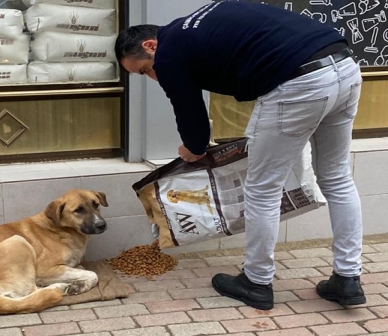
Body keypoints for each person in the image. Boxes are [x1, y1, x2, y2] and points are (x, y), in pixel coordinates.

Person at [115, 1, 365, 310]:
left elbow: (189, 112)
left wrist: (192, 148)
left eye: (145, 70)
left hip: (298, 82)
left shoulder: (169, 51)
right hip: (344, 66)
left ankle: (256, 283)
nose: (154, 77)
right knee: (338, 178)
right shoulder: (200, 24)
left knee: (262, 190)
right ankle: (348, 279)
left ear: (150, 45)